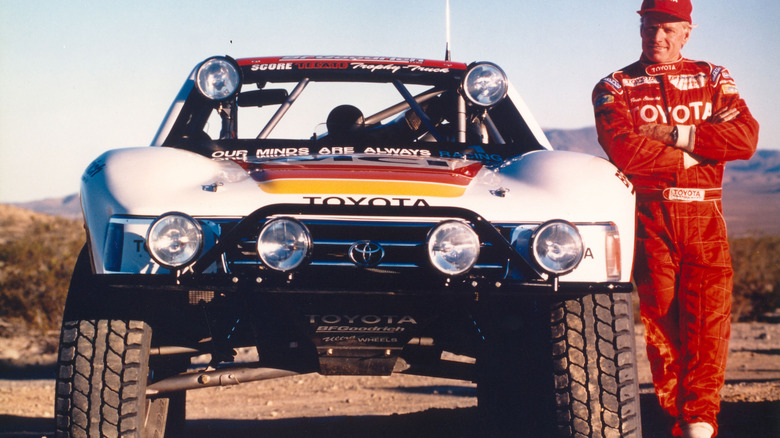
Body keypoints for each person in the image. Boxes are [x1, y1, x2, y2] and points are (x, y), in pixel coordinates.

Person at [591, 1, 759, 437]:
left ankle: (700, 425)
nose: (657, 37)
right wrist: (704, 147)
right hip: (651, 219)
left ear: (688, 30)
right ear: (640, 26)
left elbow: (744, 138)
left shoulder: (713, 77)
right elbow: (626, 151)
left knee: (709, 328)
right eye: (649, 27)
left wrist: (672, 134)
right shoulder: (615, 85)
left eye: (668, 28)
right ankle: (679, 424)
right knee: (664, 332)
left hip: (706, 216)